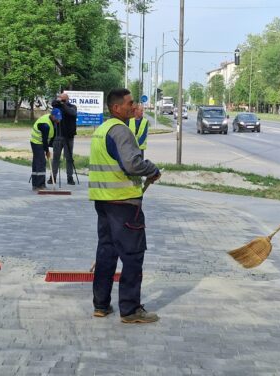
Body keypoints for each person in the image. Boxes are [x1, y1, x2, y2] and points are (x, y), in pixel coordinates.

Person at [89, 88, 161, 323]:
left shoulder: (102, 129)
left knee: (106, 252)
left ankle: (101, 305)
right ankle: (130, 310)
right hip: (124, 204)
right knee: (132, 256)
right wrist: (152, 169)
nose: (134, 106)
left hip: (104, 201)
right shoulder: (121, 131)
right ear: (116, 108)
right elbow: (132, 164)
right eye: (130, 103)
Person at [30, 108, 62, 190]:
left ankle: (36, 184)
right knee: (41, 162)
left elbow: (50, 137)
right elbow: (44, 140)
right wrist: (47, 151)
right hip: (37, 142)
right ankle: (40, 185)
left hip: (41, 142)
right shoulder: (45, 125)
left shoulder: (52, 121)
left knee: (37, 162)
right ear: (52, 116)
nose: (59, 120)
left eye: (59, 118)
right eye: (57, 118)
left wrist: (48, 148)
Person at [50, 93, 78, 185]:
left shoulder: (72, 107)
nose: (60, 101)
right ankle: (53, 177)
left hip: (69, 136)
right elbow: (53, 103)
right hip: (58, 136)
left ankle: (70, 177)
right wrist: (59, 102)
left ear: (67, 99)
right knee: (56, 158)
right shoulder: (57, 107)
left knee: (69, 158)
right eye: (60, 99)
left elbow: (72, 113)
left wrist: (63, 104)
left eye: (63, 99)